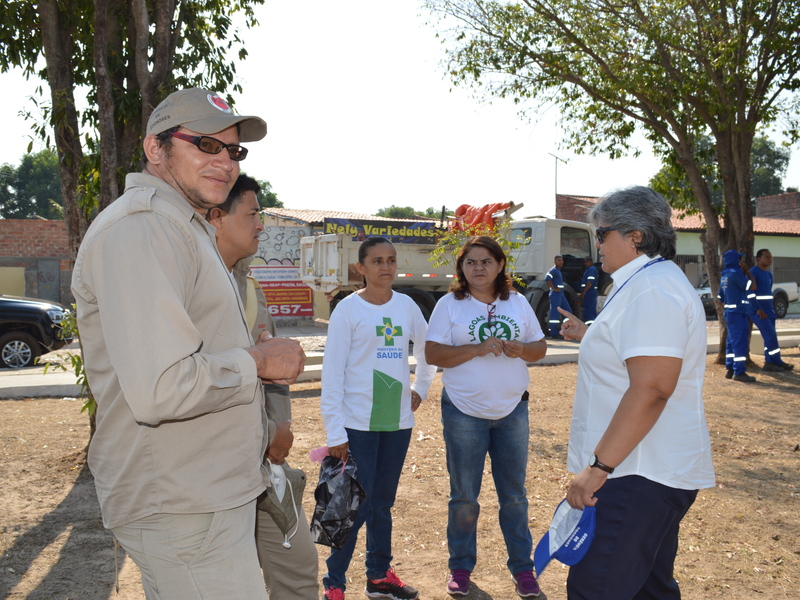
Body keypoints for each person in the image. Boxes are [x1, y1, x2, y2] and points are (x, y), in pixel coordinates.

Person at [71, 88, 306, 600]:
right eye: (205, 144)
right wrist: (257, 361)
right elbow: (162, 387)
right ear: (156, 149)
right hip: (184, 503)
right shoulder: (144, 229)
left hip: (203, 495)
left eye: (233, 150)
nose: (224, 161)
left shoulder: (181, 225)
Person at [557, 186, 715, 600]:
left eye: (602, 234)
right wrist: (591, 335)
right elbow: (639, 357)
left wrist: (598, 468)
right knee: (648, 590)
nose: (597, 245)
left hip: (634, 473)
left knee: (598, 588)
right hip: (641, 472)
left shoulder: (652, 289)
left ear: (636, 236)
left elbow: (652, 388)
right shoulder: (647, 282)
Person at [206, 174, 319, 600]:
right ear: (218, 217)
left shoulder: (250, 288)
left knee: (299, 570)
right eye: (253, 214)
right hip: (216, 471)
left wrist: (281, 428)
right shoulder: (191, 288)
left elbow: (272, 371)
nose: (261, 225)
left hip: (267, 467)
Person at [425, 236, 547, 599]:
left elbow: (539, 348)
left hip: (512, 411)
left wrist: (522, 348)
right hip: (464, 412)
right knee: (464, 497)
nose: (478, 268)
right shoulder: (449, 305)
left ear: (500, 266)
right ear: (461, 268)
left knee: (514, 497)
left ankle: (523, 570)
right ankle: (460, 568)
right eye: (470, 262)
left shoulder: (518, 302)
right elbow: (432, 353)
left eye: (486, 261)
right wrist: (476, 349)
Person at [320, 236, 436, 600]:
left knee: (382, 503)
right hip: (357, 424)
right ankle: (335, 585)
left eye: (390, 260)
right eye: (377, 261)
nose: (385, 267)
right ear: (361, 268)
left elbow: (427, 348)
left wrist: (422, 387)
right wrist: (334, 430)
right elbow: (332, 372)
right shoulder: (348, 310)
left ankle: (379, 576)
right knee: (352, 504)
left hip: (397, 422)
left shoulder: (406, 306)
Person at [717, 249, 758, 382]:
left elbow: (720, 298)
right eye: (739, 260)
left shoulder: (724, 275)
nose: (741, 262)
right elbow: (752, 286)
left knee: (731, 341)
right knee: (740, 342)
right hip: (738, 313)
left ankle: (730, 369)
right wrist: (748, 271)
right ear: (735, 261)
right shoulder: (736, 274)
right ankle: (739, 372)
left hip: (729, 313)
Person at [750, 249, 794, 372]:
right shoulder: (753, 272)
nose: (770, 259)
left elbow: (768, 292)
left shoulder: (769, 274)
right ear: (759, 259)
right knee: (770, 335)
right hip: (759, 312)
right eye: (767, 257)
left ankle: (774, 361)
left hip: (769, 311)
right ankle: (772, 362)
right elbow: (750, 293)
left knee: (771, 337)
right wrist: (758, 308)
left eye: (771, 257)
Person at [545, 255, 571, 338]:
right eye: (559, 260)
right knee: (555, 313)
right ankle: (554, 333)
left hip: (561, 295)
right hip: (555, 295)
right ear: (555, 262)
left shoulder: (558, 271)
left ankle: (568, 330)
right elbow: (547, 278)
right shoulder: (554, 270)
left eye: (562, 260)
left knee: (568, 312)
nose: (561, 262)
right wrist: (554, 288)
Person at [579, 256, 599, 325]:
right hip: (589, 293)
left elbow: (590, 282)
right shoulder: (589, 269)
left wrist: (584, 292)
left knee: (589, 311)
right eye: (584, 262)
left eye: (586, 262)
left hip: (590, 293)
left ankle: (590, 326)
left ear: (590, 261)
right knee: (587, 310)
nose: (585, 263)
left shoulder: (591, 269)